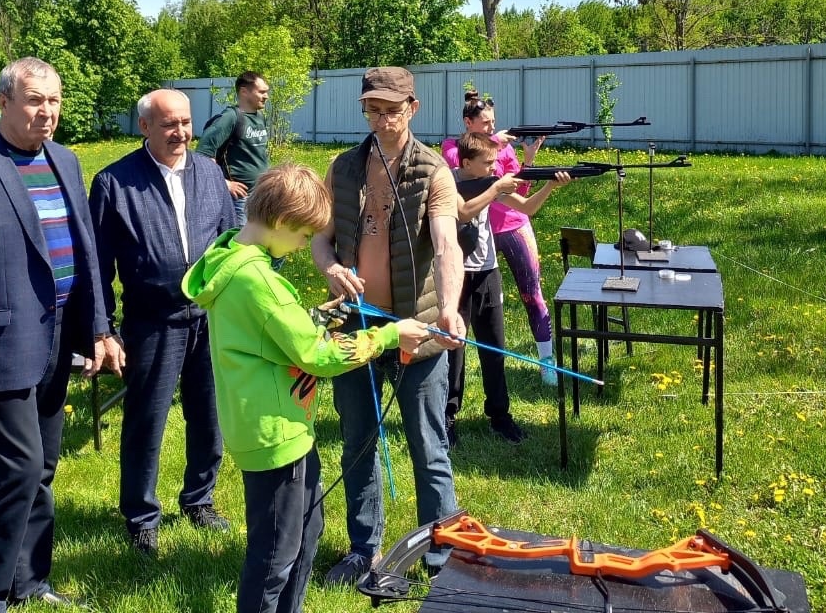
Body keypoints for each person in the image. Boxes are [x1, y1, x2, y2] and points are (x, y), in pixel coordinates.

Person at [184, 163, 430, 613]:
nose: (302, 247)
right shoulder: (259, 282)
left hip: (282, 428)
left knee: (307, 531)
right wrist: (391, 336)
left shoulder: (233, 260)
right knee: (274, 556)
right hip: (274, 436)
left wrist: (313, 317)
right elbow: (318, 357)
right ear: (279, 223)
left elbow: (268, 333)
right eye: (301, 237)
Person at [0, 57, 123, 613]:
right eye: (35, 100)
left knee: (42, 468)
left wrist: (98, 330)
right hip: (3, 349)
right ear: (4, 103)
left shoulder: (65, 160)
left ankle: (30, 582)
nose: (48, 112)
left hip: (59, 341)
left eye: (55, 101)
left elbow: (84, 255)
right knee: (16, 472)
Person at [310, 66, 466, 586]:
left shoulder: (432, 171)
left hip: (418, 335)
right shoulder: (344, 167)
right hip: (357, 330)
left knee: (428, 445)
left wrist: (448, 307)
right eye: (372, 110)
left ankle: (442, 554)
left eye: (390, 111)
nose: (380, 120)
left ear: (412, 109)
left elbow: (446, 245)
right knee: (356, 441)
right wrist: (329, 267)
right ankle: (363, 549)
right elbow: (321, 237)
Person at [88, 88, 237, 556]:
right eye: (170, 124)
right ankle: (140, 515)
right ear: (145, 127)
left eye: (186, 123)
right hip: (152, 322)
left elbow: (229, 242)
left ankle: (199, 499)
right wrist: (103, 328)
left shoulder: (210, 173)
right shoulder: (115, 182)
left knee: (209, 416)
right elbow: (97, 266)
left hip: (210, 318)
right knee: (147, 421)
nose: (181, 133)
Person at [446, 132, 571, 447]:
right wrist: (495, 188)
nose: (492, 168)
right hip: (455, 275)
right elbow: (462, 211)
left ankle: (500, 416)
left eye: (494, 163)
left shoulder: (490, 181)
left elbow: (527, 208)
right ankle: (447, 419)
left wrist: (550, 185)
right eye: (486, 163)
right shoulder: (446, 182)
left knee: (494, 349)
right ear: (465, 163)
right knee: (454, 352)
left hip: (487, 273)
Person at [441, 92, 559, 386]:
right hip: (475, 242)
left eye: (494, 123)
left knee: (531, 295)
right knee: (460, 324)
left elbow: (519, 193)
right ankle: (451, 401)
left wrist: (533, 167)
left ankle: (547, 362)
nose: (491, 128)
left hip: (512, 227)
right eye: (485, 123)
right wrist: (496, 146)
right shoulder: (454, 150)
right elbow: (462, 168)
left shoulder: (500, 150)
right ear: (468, 123)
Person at [196, 71, 271, 223]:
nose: (266, 96)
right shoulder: (230, 118)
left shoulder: (260, 116)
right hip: (240, 198)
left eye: (267, 92)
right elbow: (202, 154)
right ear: (244, 91)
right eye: (262, 92)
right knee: (239, 242)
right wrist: (225, 183)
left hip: (262, 193)